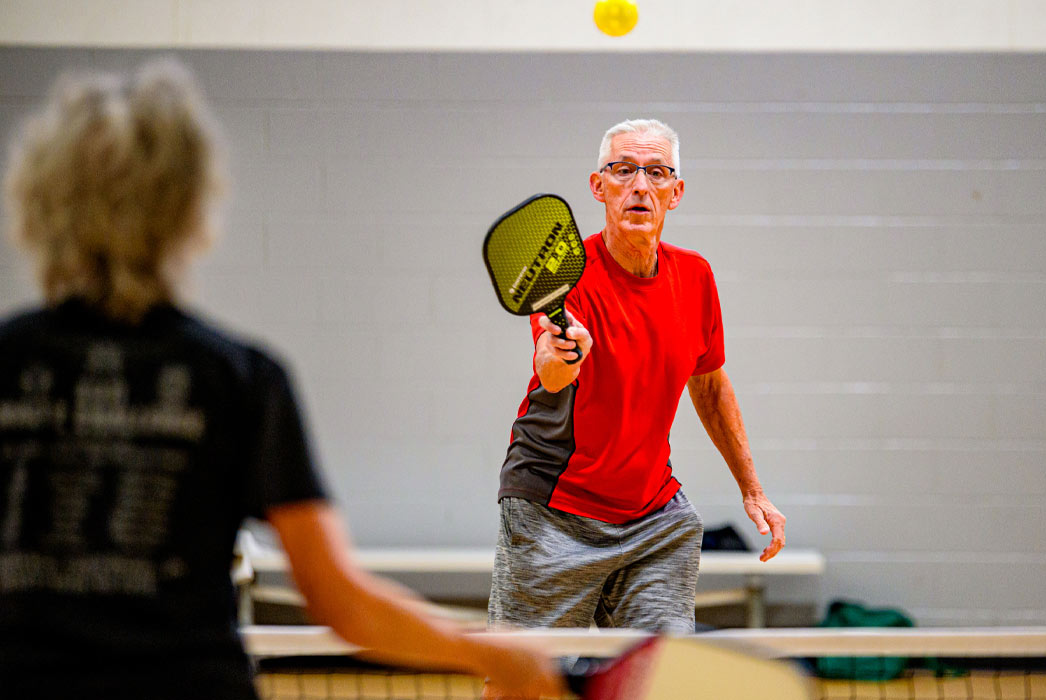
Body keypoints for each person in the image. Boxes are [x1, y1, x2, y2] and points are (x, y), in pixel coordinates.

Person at [0, 60, 563, 699]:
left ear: (41, 197)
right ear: (188, 206)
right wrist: (493, 654)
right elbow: (337, 597)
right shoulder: (237, 376)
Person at [489, 119, 787, 633]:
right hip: (554, 509)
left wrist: (752, 488)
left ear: (676, 193)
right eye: (624, 170)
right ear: (598, 186)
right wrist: (565, 353)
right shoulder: (566, 273)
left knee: (661, 674)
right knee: (524, 681)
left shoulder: (695, 277)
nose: (640, 186)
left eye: (656, 173)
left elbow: (711, 385)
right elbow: (551, 371)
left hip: (652, 517)